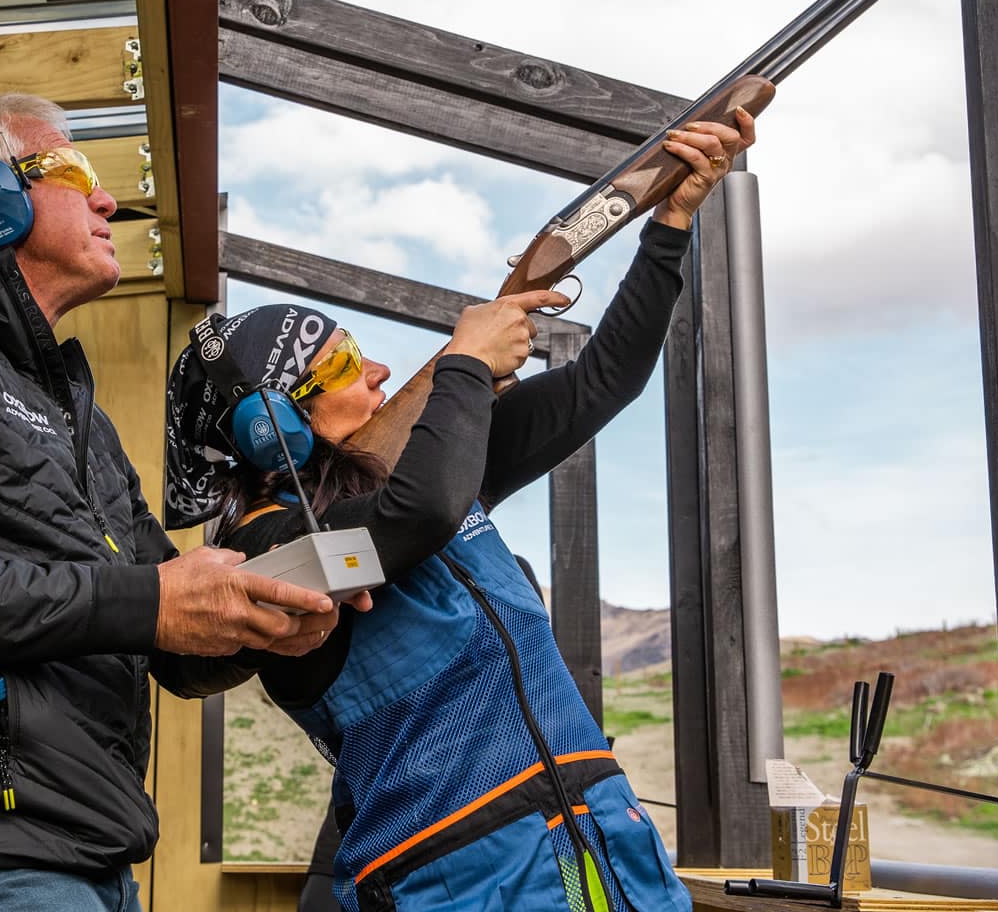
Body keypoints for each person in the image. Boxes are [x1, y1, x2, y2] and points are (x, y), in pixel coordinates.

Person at [0, 92, 358, 912]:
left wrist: (260, 620)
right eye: (74, 172)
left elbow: (167, 638)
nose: (107, 199)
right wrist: (148, 601)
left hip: (85, 859)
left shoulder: (80, 416)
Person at [163, 111, 756, 911]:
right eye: (343, 363)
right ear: (273, 425)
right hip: (461, 882)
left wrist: (670, 226)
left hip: (601, 850)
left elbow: (603, 381)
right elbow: (421, 515)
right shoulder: (266, 551)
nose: (377, 369)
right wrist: (466, 367)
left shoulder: (413, 474)